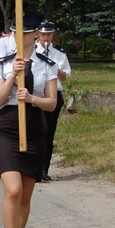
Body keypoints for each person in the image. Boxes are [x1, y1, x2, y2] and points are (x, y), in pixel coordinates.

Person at [0, 14, 58, 228]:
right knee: (13, 190)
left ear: (34, 35)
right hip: (7, 127)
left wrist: (32, 99)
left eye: (26, 33)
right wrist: (12, 76)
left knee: (26, 196)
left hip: (34, 128)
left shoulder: (46, 64)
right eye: (15, 32)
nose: (21, 37)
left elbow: (51, 103)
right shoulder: (3, 63)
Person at [35, 19, 71, 181]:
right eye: (43, 34)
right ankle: (33, 167)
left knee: (48, 133)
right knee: (37, 132)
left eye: (49, 34)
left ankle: (44, 169)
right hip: (36, 95)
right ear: (38, 34)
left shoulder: (59, 53)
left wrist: (55, 67)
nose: (46, 38)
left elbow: (65, 77)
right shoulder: (32, 50)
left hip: (53, 96)